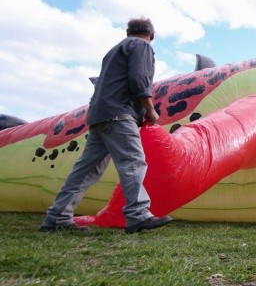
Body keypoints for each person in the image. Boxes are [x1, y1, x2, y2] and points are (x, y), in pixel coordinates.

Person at [40, 18, 172, 234]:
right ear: (152, 35)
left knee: (86, 169)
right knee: (133, 161)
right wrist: (150, 110)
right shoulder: (141, 46)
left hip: (99, 115)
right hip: (120, 114)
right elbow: (139, 80)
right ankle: (138, 214)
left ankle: (57, 216)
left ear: (129, 31)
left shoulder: (113, 51)